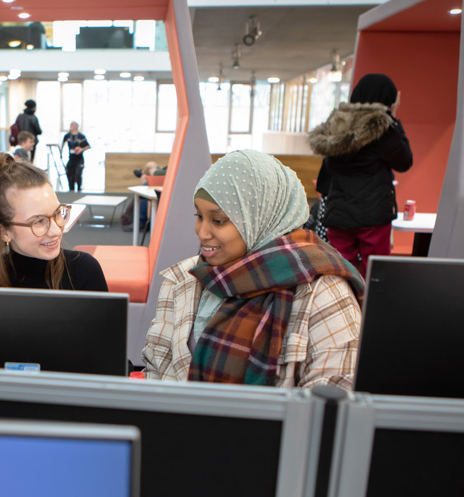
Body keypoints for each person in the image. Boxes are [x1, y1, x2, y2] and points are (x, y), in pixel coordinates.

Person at [141, 150, 364, 388]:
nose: (202, 232)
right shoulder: (184, 278)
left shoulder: (322, 291)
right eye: (199, 216)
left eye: (218, 220)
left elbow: (332, 401)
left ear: (260, 217)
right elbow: (156, 369)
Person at [308, 73, 413, 277]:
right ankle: (368, 309)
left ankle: (341, 308)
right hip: (373, 215)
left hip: (339, 214)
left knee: (339, 273)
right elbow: (404, 162)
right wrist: (393, 119)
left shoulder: (336, 124)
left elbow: (327, 171)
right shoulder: (383, 127)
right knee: (375, 274)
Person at [0, 153, 107, 291]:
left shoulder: (83, 272)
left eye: (57, 213)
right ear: (3, 232)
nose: (56, 230)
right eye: (38, 221)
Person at [61, 122, 90, 192]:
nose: (71, 126)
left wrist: (81, 149)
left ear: (76, 126)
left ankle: (79, 190)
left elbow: (88, 146)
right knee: (70, 174)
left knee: (78, 174)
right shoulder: (67, 136)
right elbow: (62, 144)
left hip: (79, 158)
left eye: (72, 125)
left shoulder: (81, 136)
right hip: (71, 158)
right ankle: (71, 191)